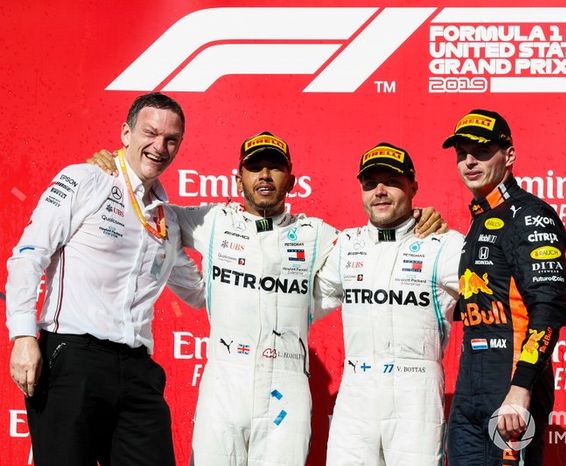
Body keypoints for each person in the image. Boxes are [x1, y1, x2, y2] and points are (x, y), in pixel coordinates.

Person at [88, 132, 445, 466]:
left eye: (275, 167)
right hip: (223, 384)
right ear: (237, 178)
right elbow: (146, 207)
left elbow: (375, 250)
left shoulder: (317, 234)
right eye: (255, 167)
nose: (265, 175)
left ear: (290, 180)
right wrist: (116, 169)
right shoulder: (211, 220)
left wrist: (418, 220)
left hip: (286, 389)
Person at [5, 92, 205, 466]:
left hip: (138, 370)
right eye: (150, 133)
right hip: (73, 357)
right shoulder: (85, 179)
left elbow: (198, 295)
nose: (159, 146)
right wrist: (22, 336)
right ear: (126, 133)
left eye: (171, 139)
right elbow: (29, 256)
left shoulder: (169, 219)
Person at [314, 142, 462, 465]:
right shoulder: (345, 245)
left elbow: (493, 301)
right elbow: (301, 302)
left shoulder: (445, 244)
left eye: (391, 181)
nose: (379, 191)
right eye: (370, 184)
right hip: (356, 394)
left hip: (416, 395)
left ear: (413, 187)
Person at [442, 109, 566, 466]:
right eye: (462, 153)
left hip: (511, 386)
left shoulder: (530, 216)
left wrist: (521, 386)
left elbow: (548, 310)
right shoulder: (480, 218)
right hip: (471, 387)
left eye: (482, 151)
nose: (469, 161)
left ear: (509, 155)